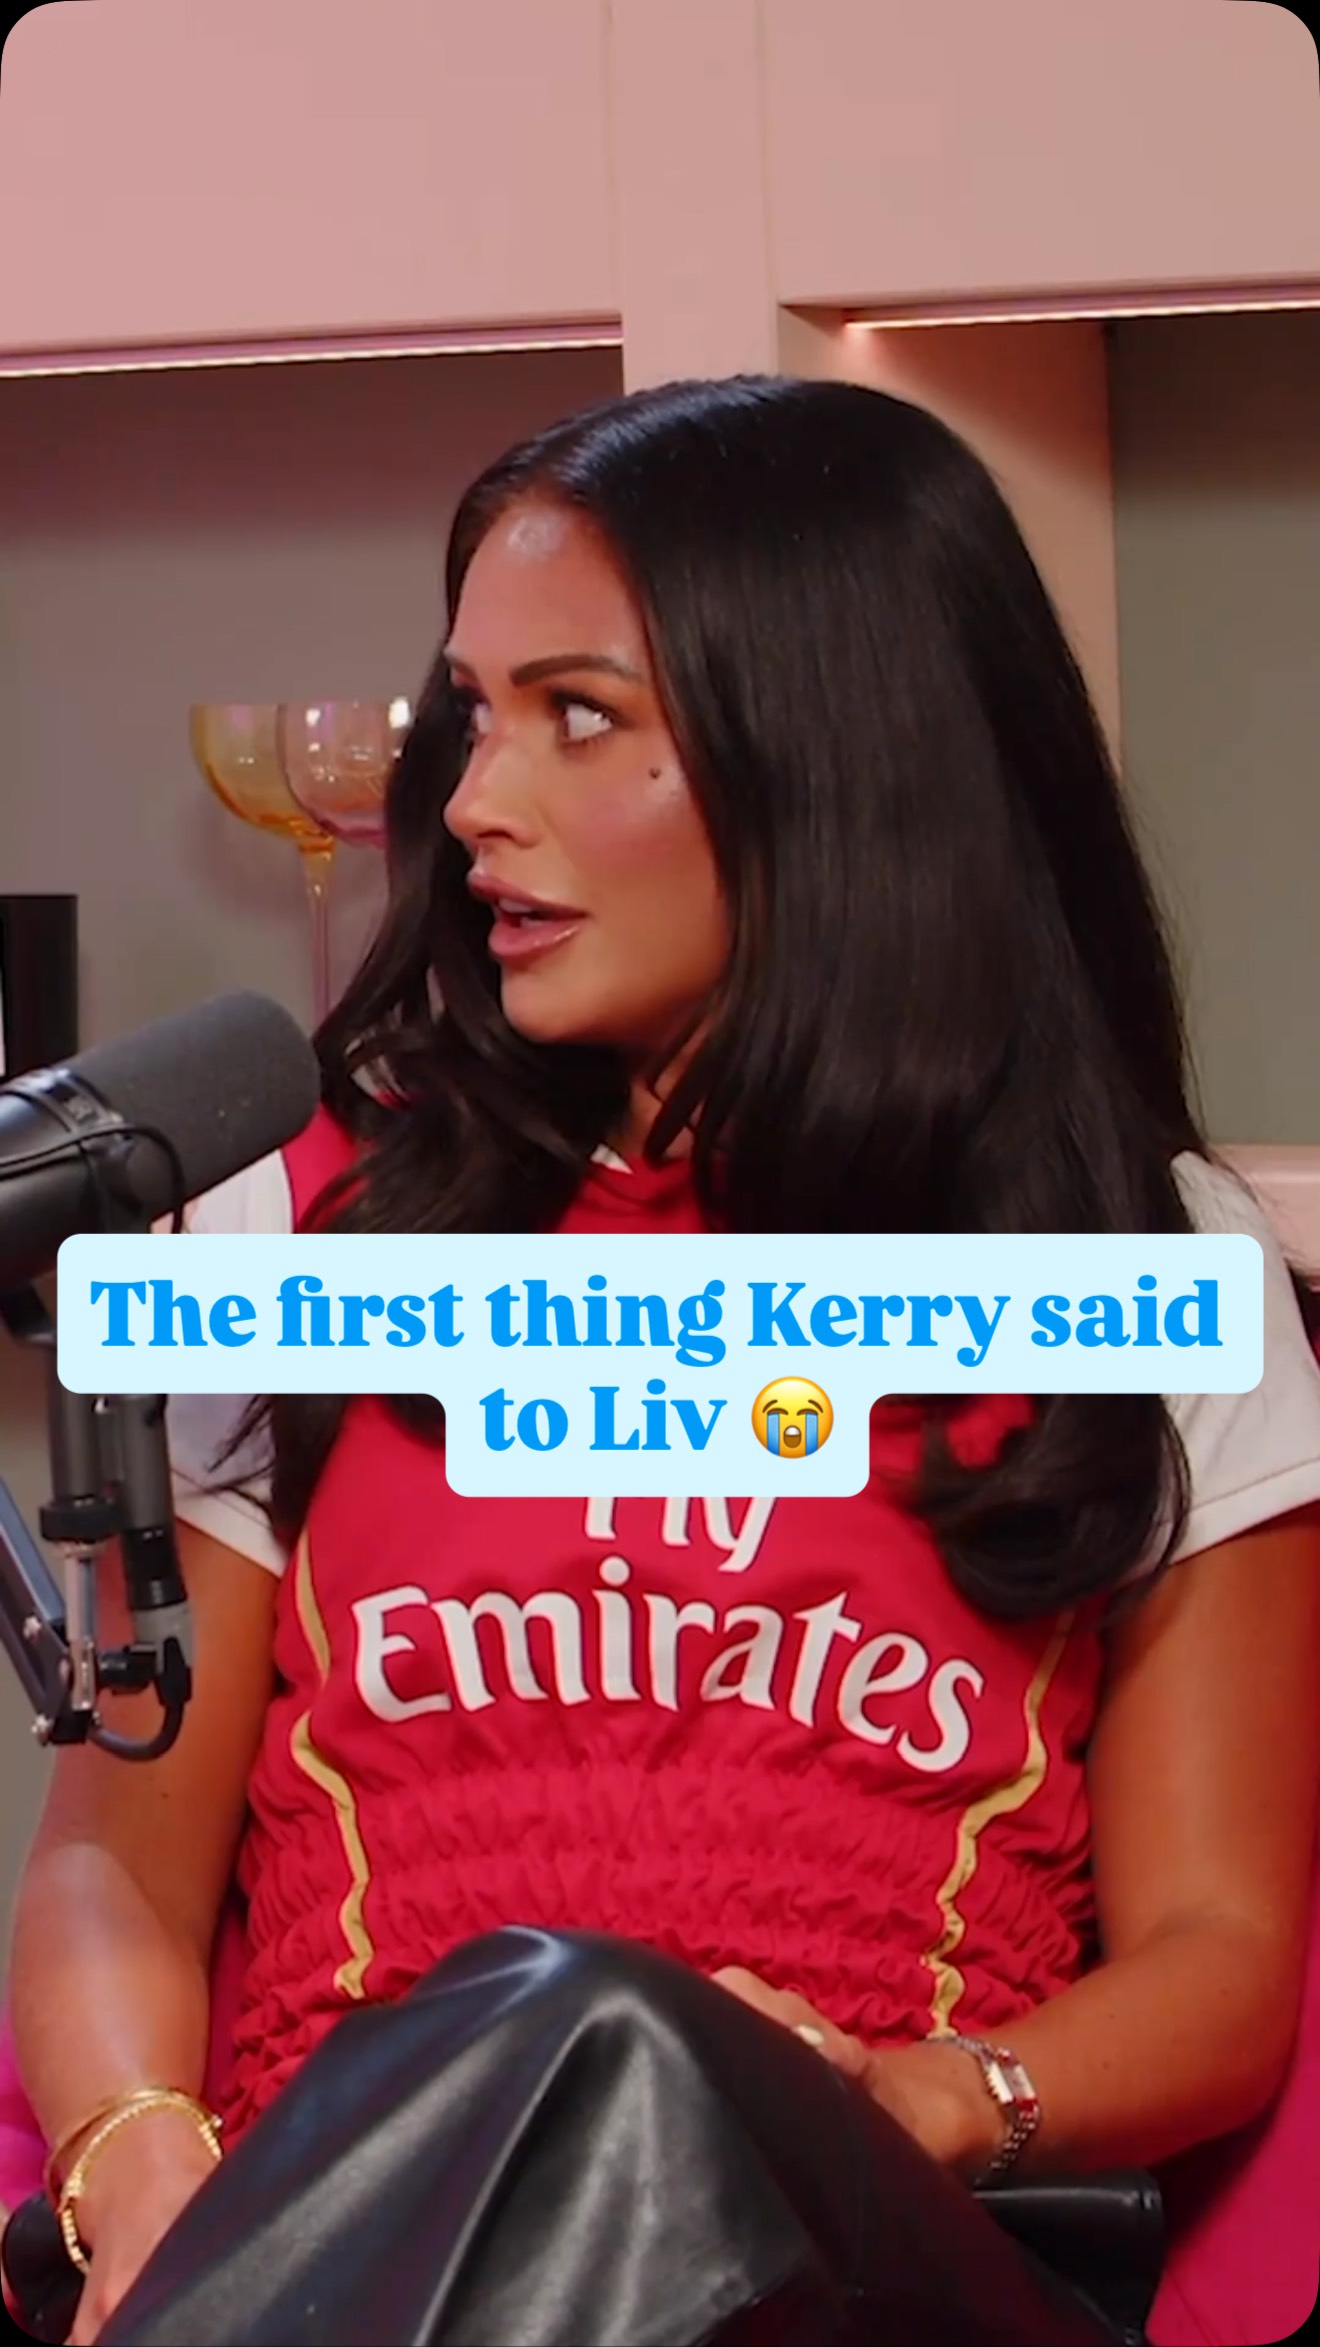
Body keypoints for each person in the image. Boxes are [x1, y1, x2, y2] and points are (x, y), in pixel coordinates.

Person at [9, 375, 1320, 2347]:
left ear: (836, 758)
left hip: (881, 2258)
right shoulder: (298, 1226)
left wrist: (932, 2097)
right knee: (544, 2031)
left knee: (596, 2026)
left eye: (579, 716)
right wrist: (135, 2161)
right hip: (349, 2245)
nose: (474, 802)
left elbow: (1223, 1959)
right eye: (477, 710)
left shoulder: (1157, 1264)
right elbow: (114, 1863)